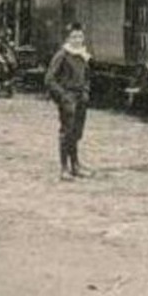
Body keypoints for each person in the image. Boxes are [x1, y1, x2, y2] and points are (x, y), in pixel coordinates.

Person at [44, 24, 91, 180]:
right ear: (68, 39)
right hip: (68, 99)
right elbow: (49, 79)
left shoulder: (82, 55)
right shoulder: (62, 55)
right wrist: (63, 96)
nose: (77, 40)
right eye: (74, 37)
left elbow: (86, 77)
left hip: (80, 99)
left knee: (76, 133)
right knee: (66, 132)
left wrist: (85, 91)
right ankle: (64, 168)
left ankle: (76, 165)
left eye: (80, 37)